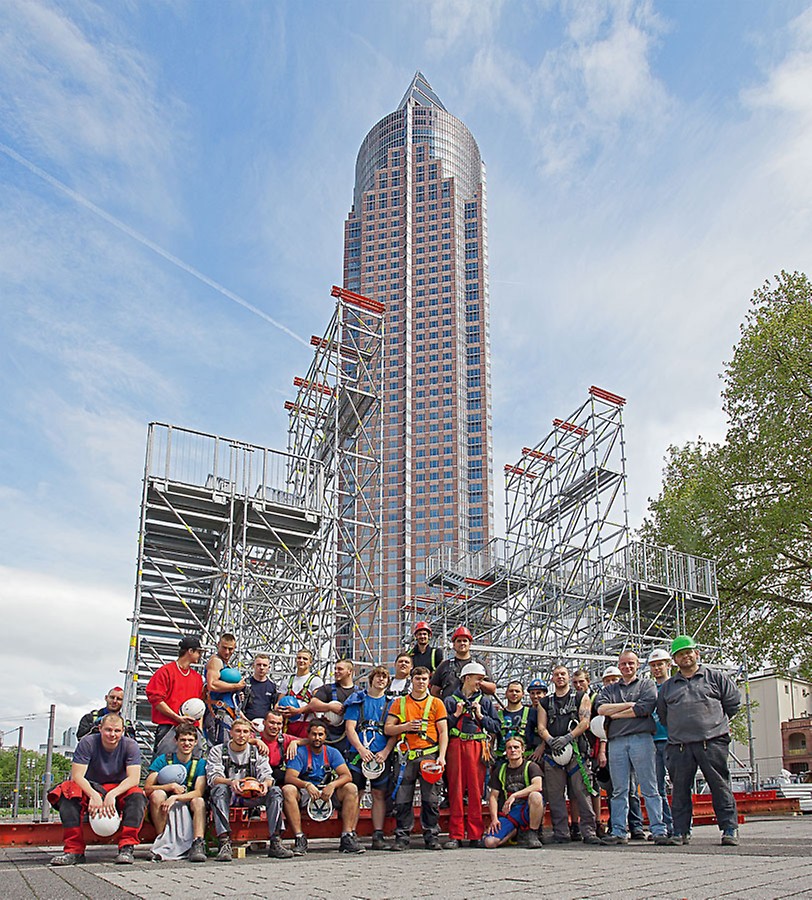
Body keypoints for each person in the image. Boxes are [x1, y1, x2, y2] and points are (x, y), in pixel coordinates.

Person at [657, 635, 742, 846]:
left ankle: (729, 829)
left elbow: (732, 704)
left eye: (688, 652)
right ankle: (680, 831)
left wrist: (714, 725)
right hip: (680, 745)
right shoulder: (668, 687)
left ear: (697, 653)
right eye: (679, 654)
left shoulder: (715, 678)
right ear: (674, 661)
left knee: (719, 785)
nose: (685, 656)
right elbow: (663, 714)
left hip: (711, 742)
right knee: (679, 789)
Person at [48, 713, 146, 866]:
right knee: (68, 794)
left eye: (117, 731)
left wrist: (112, 795)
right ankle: (74, 851)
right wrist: (94, 795)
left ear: (123, 731)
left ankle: (127, 847)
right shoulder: (88, 743)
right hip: (91, 785)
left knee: (137, 796)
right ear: (100, 728)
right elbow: (77, 776)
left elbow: (133, 778)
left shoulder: (130, 745)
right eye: (108, 730)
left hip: (117, 787)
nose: (112, 734)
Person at [596, 651, 670, 845]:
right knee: (619, 789)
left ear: (637, 665)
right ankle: (619, 831)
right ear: (619, 666)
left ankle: (658, 829)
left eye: (631, 663)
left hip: (642, 739)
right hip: (617, 741)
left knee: (649, 787)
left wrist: (616, 713)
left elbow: (645, 708)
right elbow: (601, 709)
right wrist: (630, 706)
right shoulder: (609, 689)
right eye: (623, 664)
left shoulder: (647, 684)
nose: (627, 667)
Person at [206, 718, 292, 861]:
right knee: (219, 789)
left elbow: (267, 775)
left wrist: (265, 784)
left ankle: (276, 841)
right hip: (230, 795)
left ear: (250, 735)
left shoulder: (256, 751)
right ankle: (224, 843)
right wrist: (231, 782)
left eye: (245, 732)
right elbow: (213, 778)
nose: (241, 735)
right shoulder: (218, 750)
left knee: (275, 791)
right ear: (231, 733)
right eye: (238, 731)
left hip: (252, 795)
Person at [384, 665, 448, 851]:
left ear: (429, 681)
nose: (421, 682)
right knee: (403, 798)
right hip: (405, 756)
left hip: (429, 754)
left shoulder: (436, 703)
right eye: (417, 679)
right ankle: (402, 836)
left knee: (431, 798)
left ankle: (431, 836)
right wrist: (405, 727)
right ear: (411, 680)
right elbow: (388, 728)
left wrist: (441, 757)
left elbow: (443, 732)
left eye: (424, 679)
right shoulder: (400, 703)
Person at [537, 665, 602, 845]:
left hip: (576, 754)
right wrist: (550, 741)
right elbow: (541, 726)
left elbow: (585, 723)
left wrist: (568, 737)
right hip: (553, 755)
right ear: (552, 678)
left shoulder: (581, 697)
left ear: (568, 677)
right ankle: (561, 833)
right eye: (556, 674)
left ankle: (589, 831)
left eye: (563, 674)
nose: (560, 677)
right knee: (556, 795)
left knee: (582, 792)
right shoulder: (545, 702)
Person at [282, 719, 365, 855]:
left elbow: (346, 775)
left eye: (320, 734)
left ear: (325, 736)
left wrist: (333, 785)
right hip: (307, 792)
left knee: (351, 788)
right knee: (288, 790)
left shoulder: (332, 752)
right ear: (308, 735)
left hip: (327, 792)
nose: (317, 738)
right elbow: (290, 777)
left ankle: (347, 837)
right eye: (314, 734)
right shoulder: (300, 752)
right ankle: (299, 838)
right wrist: (307, 785)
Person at [443, 661, 501, 848]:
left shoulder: (484, 702)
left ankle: (475, 834)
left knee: (476, 791)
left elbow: (496, 727)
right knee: (456, 790)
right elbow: (443, 728)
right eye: (478, 679)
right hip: (456, 745)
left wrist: (481, 716)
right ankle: (456, 834)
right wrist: (456, 715)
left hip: (477, 746)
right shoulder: (451, 701)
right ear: (467, 678)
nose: (481, 683)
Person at [344, 666, 397, 850]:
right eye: (378, 676)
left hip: (381, 755)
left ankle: (378, 834)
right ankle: (350, 833)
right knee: (355, 793)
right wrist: (360, 749)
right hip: (358, 754)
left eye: (384, 677)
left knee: (378, 794)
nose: (381, 680)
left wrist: (386, 752)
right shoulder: (358, 700)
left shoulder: (392, 703)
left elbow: (394, 732)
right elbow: (350, 728)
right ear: (371, 679)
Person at [144, 723, 207, 862]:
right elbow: (147, 788)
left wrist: (176, 798)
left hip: (187, 802)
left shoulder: (200, 763)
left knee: (199, 801)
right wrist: (170, 786)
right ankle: (161, 841)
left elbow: (198, 792)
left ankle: (198, 843)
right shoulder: (163, 760)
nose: (187, 743)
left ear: (196, 742)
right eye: (183, 740)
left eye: (190, 740)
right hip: (164, 803)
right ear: (176, 741)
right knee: (157, 795)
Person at [146, 635, 205, 755]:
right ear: (190, 651)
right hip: (169, 727)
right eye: (198, 652)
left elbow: (200, 705)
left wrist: (200, 728)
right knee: (164, 765)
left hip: (191, 729)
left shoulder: (197, 677)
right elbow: (155, 699)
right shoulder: (166, 671)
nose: (200, 655)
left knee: (193, 766)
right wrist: (176, 717)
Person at [484, 735, 544, 849]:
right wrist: (494, 819)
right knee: (489, 843)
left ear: (523, 750)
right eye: (509, 748)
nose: (513, 750)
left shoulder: (531, 766)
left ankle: (533, 834)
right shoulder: (500, 770)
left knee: (536, 796)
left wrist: (515, 795)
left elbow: (537, 785)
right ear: (505, 751)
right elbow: (493, 797)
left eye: (516, 747)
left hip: (528, 810)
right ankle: (515, 832)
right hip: (510, 813)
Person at [647, 648, 674, 838]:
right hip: (653, 741)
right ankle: (665, 826)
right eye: (654, 665)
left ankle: (681, 827)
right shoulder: (649, 689)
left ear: (668, 665)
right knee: (657, 788)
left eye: (660, 664)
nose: (657, 668)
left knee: (680, 785)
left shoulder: (676, 685)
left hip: (674, 741)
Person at [306, 658, 356, 755]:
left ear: (350, 671)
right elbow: (313, 704)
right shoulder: (328, 688)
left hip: (351, 739)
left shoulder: (359, 692)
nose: (336, 672)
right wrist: (329, 707)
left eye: (340, 669)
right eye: (335, 669)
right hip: (330, 738)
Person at [431, 626, 496, 699]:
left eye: (465, 641)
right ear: (454, 645)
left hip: (475, 708)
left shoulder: (479, 665)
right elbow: (434, 692)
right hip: (451, 709)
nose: (462, 643)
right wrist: (445, 704)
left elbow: (492, 689)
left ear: (470, 644)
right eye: (459, 641)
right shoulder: (445, 666)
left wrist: (478, 681)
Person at [204, 633, 246, 746]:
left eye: (230, 649)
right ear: (218, 645)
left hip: (229, 712)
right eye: (224, 648)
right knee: (220, 748)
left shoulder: (225, 664)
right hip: (219, 714)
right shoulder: (216, 661)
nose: (227, 652)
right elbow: (212, 685)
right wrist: (236, 686)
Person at [279, 648, 324, 739]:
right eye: (299, 658)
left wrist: (298, 711)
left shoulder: (315, 681)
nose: (301, 661)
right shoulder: (287, 681)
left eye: (305, 659)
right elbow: (278, 701)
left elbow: (317, 705)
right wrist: (279, 708)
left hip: (307, 724)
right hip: (288, 724)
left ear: (310, 662)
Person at [258, 711, 303, 786]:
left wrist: (295, 742)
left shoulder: (284, 738)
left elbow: (310, 741)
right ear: (264, 722)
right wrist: (255, 741)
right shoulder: (255, 737)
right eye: (272, 722)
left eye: (279, 724)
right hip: (257, 778)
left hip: (276, 780)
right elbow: (237, 741)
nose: (275, 727)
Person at [495, 681, 532, 761]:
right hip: (502, 760)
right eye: (511, 691)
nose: (514, 693)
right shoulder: (498, 715)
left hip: (526, 760)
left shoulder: (532, 713)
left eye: (517, 691)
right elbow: (492, 736)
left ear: (523, 694)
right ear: (506, 694)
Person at [242, 653, 279, 722]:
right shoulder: (245, 684)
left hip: (264, 725)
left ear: (269, 668)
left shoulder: (272, 686)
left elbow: (275, 709)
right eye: (259, 665)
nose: (261, 668)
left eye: (264, 665)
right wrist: (246, 721)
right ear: (253, 666)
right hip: (246, 723)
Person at [525, 679, 547, 762]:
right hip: (529, 752)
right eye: (532, 693)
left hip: (545, 752)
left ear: (544, 694)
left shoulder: (550, 711)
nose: (535, 696)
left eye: (538, 693)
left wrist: (542, 747)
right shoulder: (526, 711)